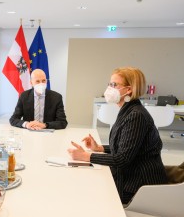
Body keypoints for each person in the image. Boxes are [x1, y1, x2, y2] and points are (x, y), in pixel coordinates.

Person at [67, 67, 168, 205]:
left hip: (139, 183)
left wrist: (85, 156)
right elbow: (127, 146)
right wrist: (100, 148)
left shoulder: (136, 115)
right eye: (109, 84)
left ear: (129, 90)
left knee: (87, 189)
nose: (109, 88)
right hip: (132, 175)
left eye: (114, 85)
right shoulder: (128, 110)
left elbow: (122, 159)